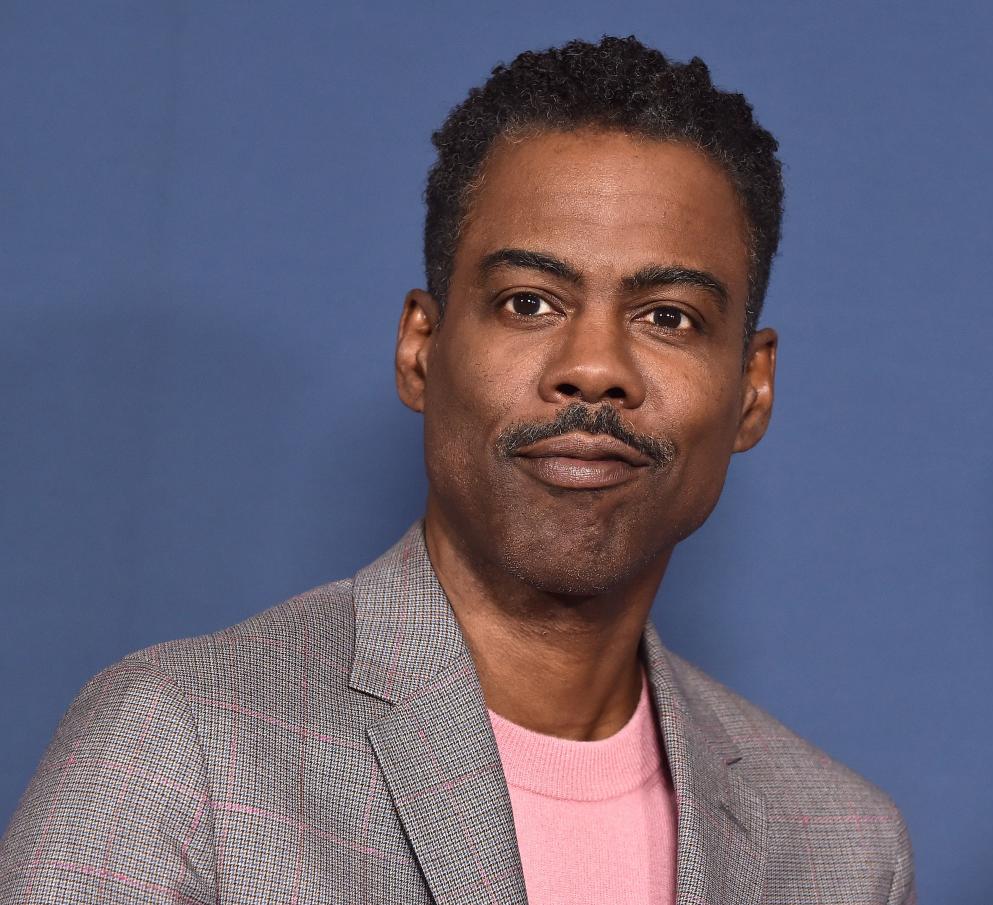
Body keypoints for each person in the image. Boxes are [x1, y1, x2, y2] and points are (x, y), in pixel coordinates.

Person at [0, 35, 915, 905]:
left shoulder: (838, 848)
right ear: (420, 350)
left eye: (667, 317)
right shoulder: (181, 744)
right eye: (529, 301)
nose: (594, 366)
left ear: (752, 389)